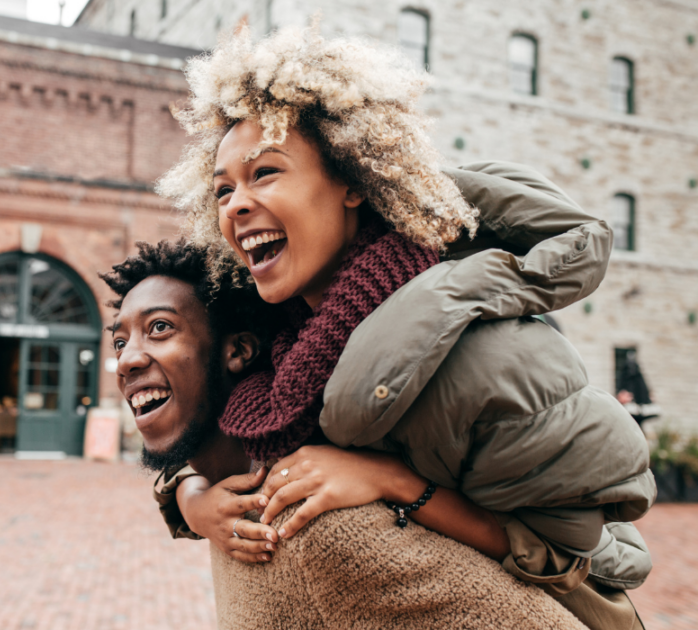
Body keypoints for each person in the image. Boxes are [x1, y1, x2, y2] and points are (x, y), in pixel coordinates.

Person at [154, 25, 654, 630]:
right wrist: (192, 499)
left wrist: (391, 480)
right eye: (222, 189)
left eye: (264, 174)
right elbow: (203, 436)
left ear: (352, 183)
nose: (233, 204)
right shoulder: (282, 344)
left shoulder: (477, 349)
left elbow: (562, 552)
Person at [102, 239, 589, 630]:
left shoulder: (319, 530)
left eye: (160, 328)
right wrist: (190, 497)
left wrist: (396, 483)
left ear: (239, 351)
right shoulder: (224, 500)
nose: (127, 360)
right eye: (120, 341)